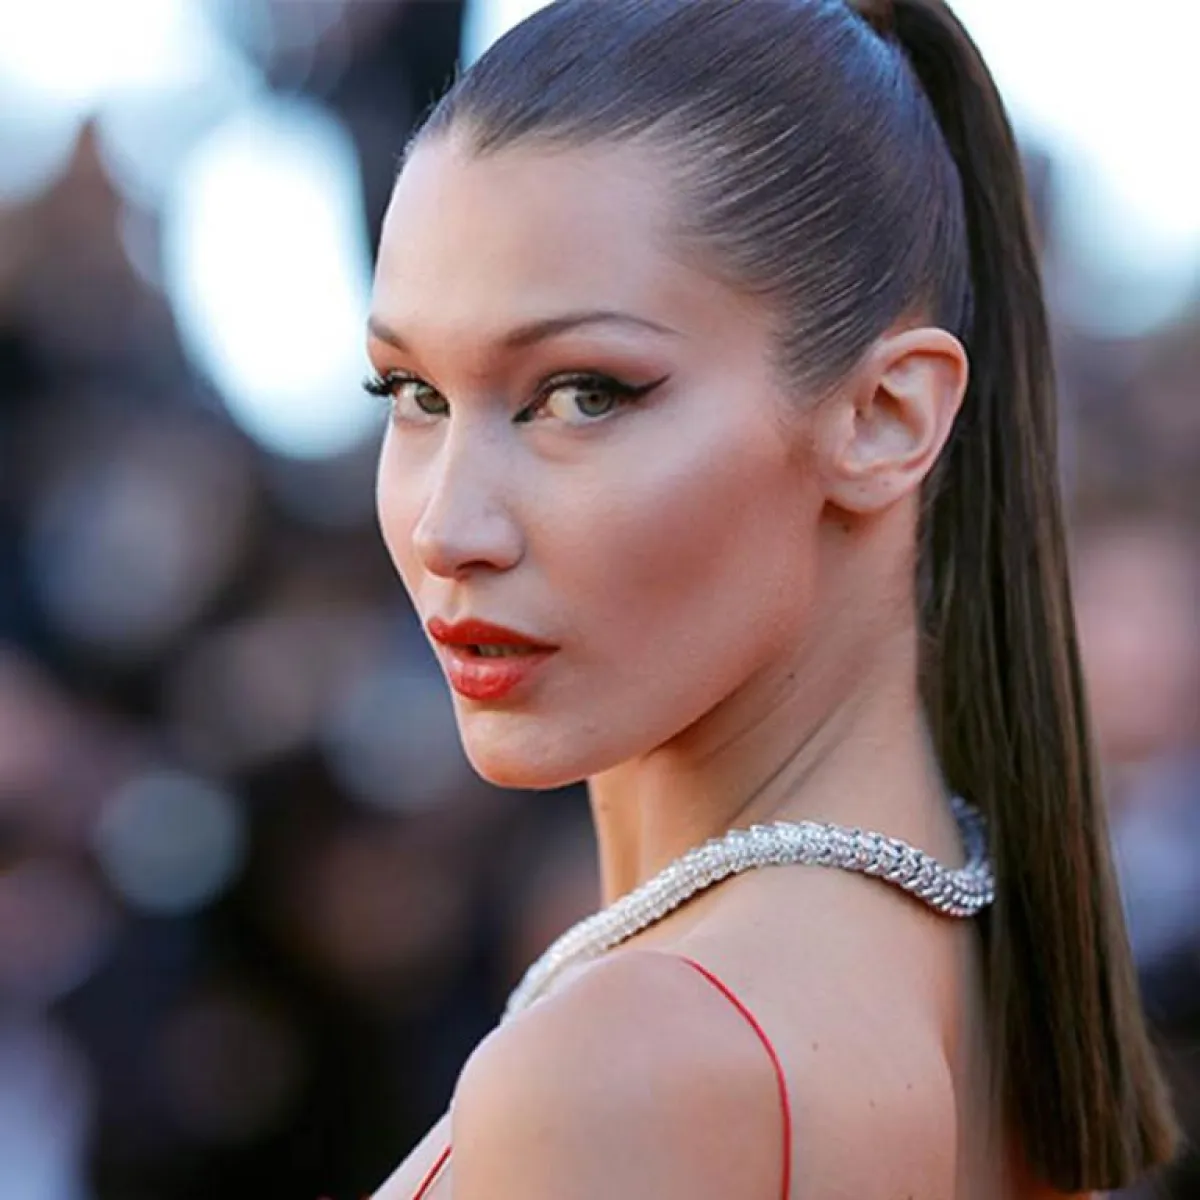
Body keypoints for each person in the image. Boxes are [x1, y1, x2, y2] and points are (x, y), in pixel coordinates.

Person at [364, 0, 1179, 1195]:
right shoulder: (967, 974)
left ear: (885, 417)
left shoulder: (637, 1066)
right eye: (413, 393)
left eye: (583, 393)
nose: (449, 526)